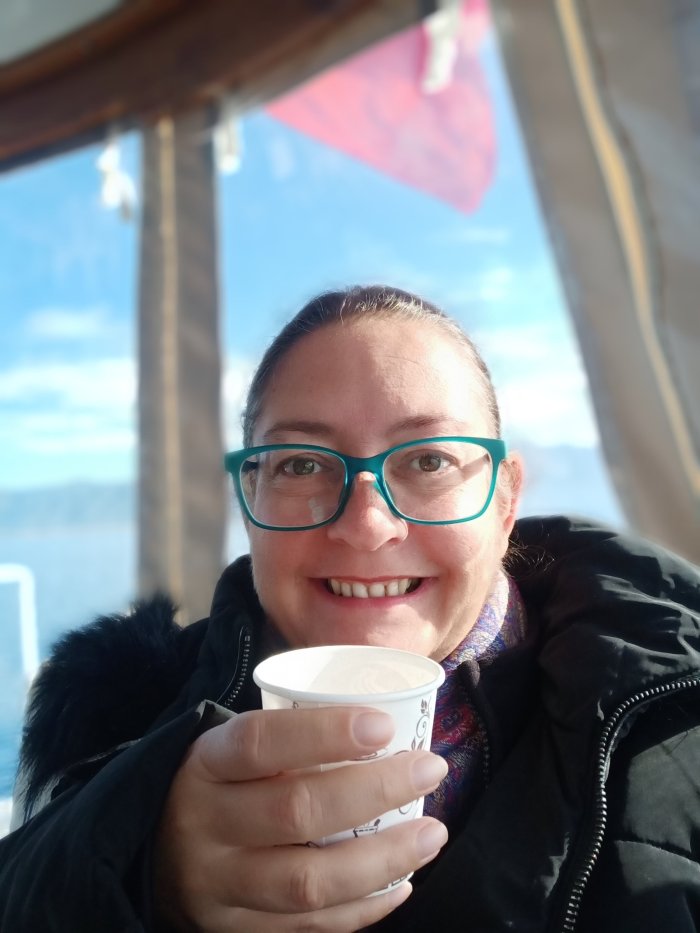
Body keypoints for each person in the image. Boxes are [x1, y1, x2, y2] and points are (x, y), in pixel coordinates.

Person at [1, 284, 699, 933]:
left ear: (505, 498)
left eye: (428, 461)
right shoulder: (120, 711)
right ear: (250, 499)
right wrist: (144, 873)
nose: (366, 526)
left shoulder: (677, 713)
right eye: (302, 464)